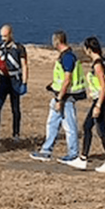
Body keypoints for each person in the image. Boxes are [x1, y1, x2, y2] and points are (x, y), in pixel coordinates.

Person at [30, 30, 86, 163]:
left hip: (66, 97)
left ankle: (73, 154)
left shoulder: (67, 57)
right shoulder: (66, 56)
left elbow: (67, 79)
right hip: (59, 95)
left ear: (57, 41)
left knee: (69, 126)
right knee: (52, 124)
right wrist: (53, 86)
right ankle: (46, 151)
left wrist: (60, 98)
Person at [65, 36, 105, 173]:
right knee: (88, 126)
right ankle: (83, 158)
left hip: (103, 99)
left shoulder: (98, 64)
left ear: (88, 49)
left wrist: (98, 105)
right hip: (103, 99)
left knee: (101, 130)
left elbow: (104, 87)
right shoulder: (103, 61)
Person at [0, 24, 28, 142]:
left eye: (5, 36)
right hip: (2, 81)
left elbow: (24, 65)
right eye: (1, 36)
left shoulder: (19, 48)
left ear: (11, 34)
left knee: (15, 109)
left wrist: (24, 82)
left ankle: (16, 134)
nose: (3, 39)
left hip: (15, 80)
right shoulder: (0, 48)